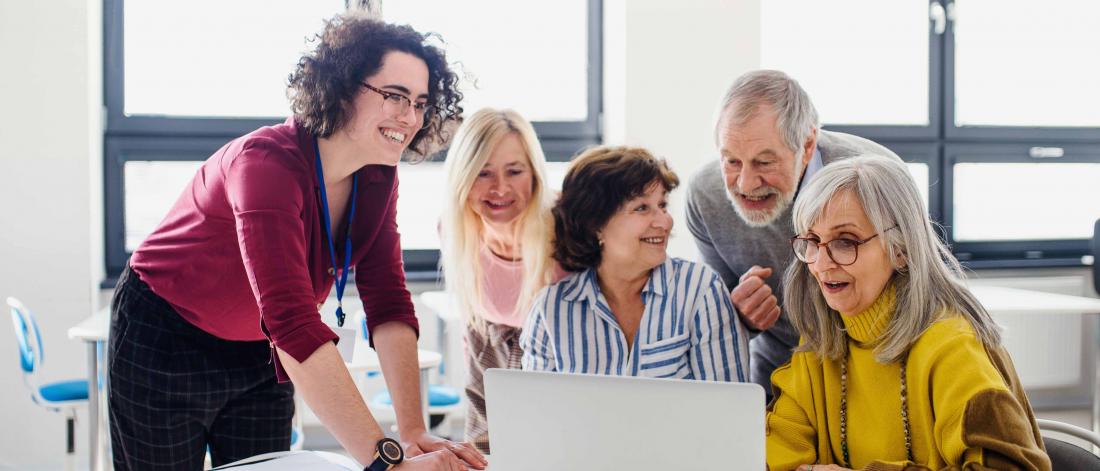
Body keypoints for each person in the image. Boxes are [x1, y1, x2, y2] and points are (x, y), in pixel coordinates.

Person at [108, 13, 486, 470]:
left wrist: (412, 432)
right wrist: (387, 465)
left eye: (421, 103)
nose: (410, 118)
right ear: (344, 86)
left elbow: (387, 299)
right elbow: (291, 320)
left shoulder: (378, 175)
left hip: (261, 353)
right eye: (394, 96)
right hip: (165, 337)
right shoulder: (265, 164)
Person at [766, 154, 1050, 471]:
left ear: (900, 250)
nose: (820, 263)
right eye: (813, 240)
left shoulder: (953, 348)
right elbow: (776, 453)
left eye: (845, 242)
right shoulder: (822, 342)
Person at [685, 70, 904, 395]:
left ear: (807, 143)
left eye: (764, 163)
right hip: (780, 373)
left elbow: (918, 289)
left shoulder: (874, 178)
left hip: (877, 366)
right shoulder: (706, 196)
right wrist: (740, 316)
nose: (745, 184)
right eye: (731, 161)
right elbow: (717, 320)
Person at [521, 146, 749, 382]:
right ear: (595, 223)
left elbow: (726, 410)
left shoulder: (700, 291)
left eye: (662, 205)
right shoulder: (550, 310)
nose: (665, 221)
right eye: (641, 208)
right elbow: (536, 414)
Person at [439, 108, 562, 453]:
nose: (500, 189)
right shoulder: (455, 229)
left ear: (534, 174)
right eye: (483, 173)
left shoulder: (568, 229)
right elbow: (473, 333)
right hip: (490, 366)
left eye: (514, 171)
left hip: (561, 374)